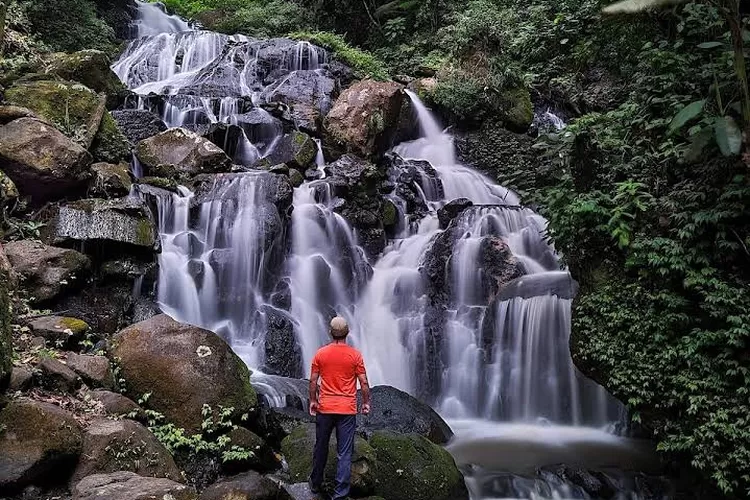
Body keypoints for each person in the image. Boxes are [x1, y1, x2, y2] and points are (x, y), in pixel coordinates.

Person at [308, 316, 370, 500]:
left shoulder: (321, 354)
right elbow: (364, 382)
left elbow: (313, 381)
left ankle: (316, 483)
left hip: (325, 407)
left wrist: (313, 400)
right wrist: (366, 402)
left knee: (321, 446)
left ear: (330, 332)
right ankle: (340, 493)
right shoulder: (355, 355)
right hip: (346, 410)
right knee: (344, 452)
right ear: (348, 332)